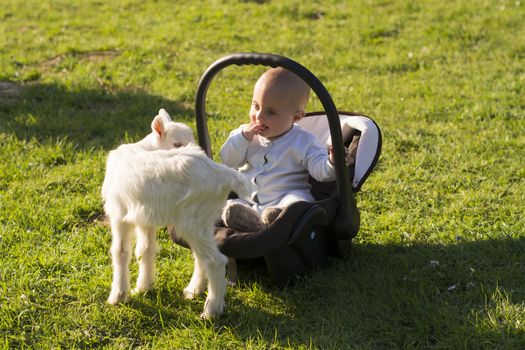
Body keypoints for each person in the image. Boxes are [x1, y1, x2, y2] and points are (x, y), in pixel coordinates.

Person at [220, 67, 339, 232]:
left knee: (298, 202)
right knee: (230, 205)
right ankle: (252, 222)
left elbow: (320, 171)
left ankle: (280, 219)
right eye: (255, 106)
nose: (259, 116)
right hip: (250, 202)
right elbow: (228, 160)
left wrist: (332, 162)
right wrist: (242, 138)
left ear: (296, 117)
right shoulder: (245, 134)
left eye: (271, 112)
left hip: (286, 197)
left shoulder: (304, 141)